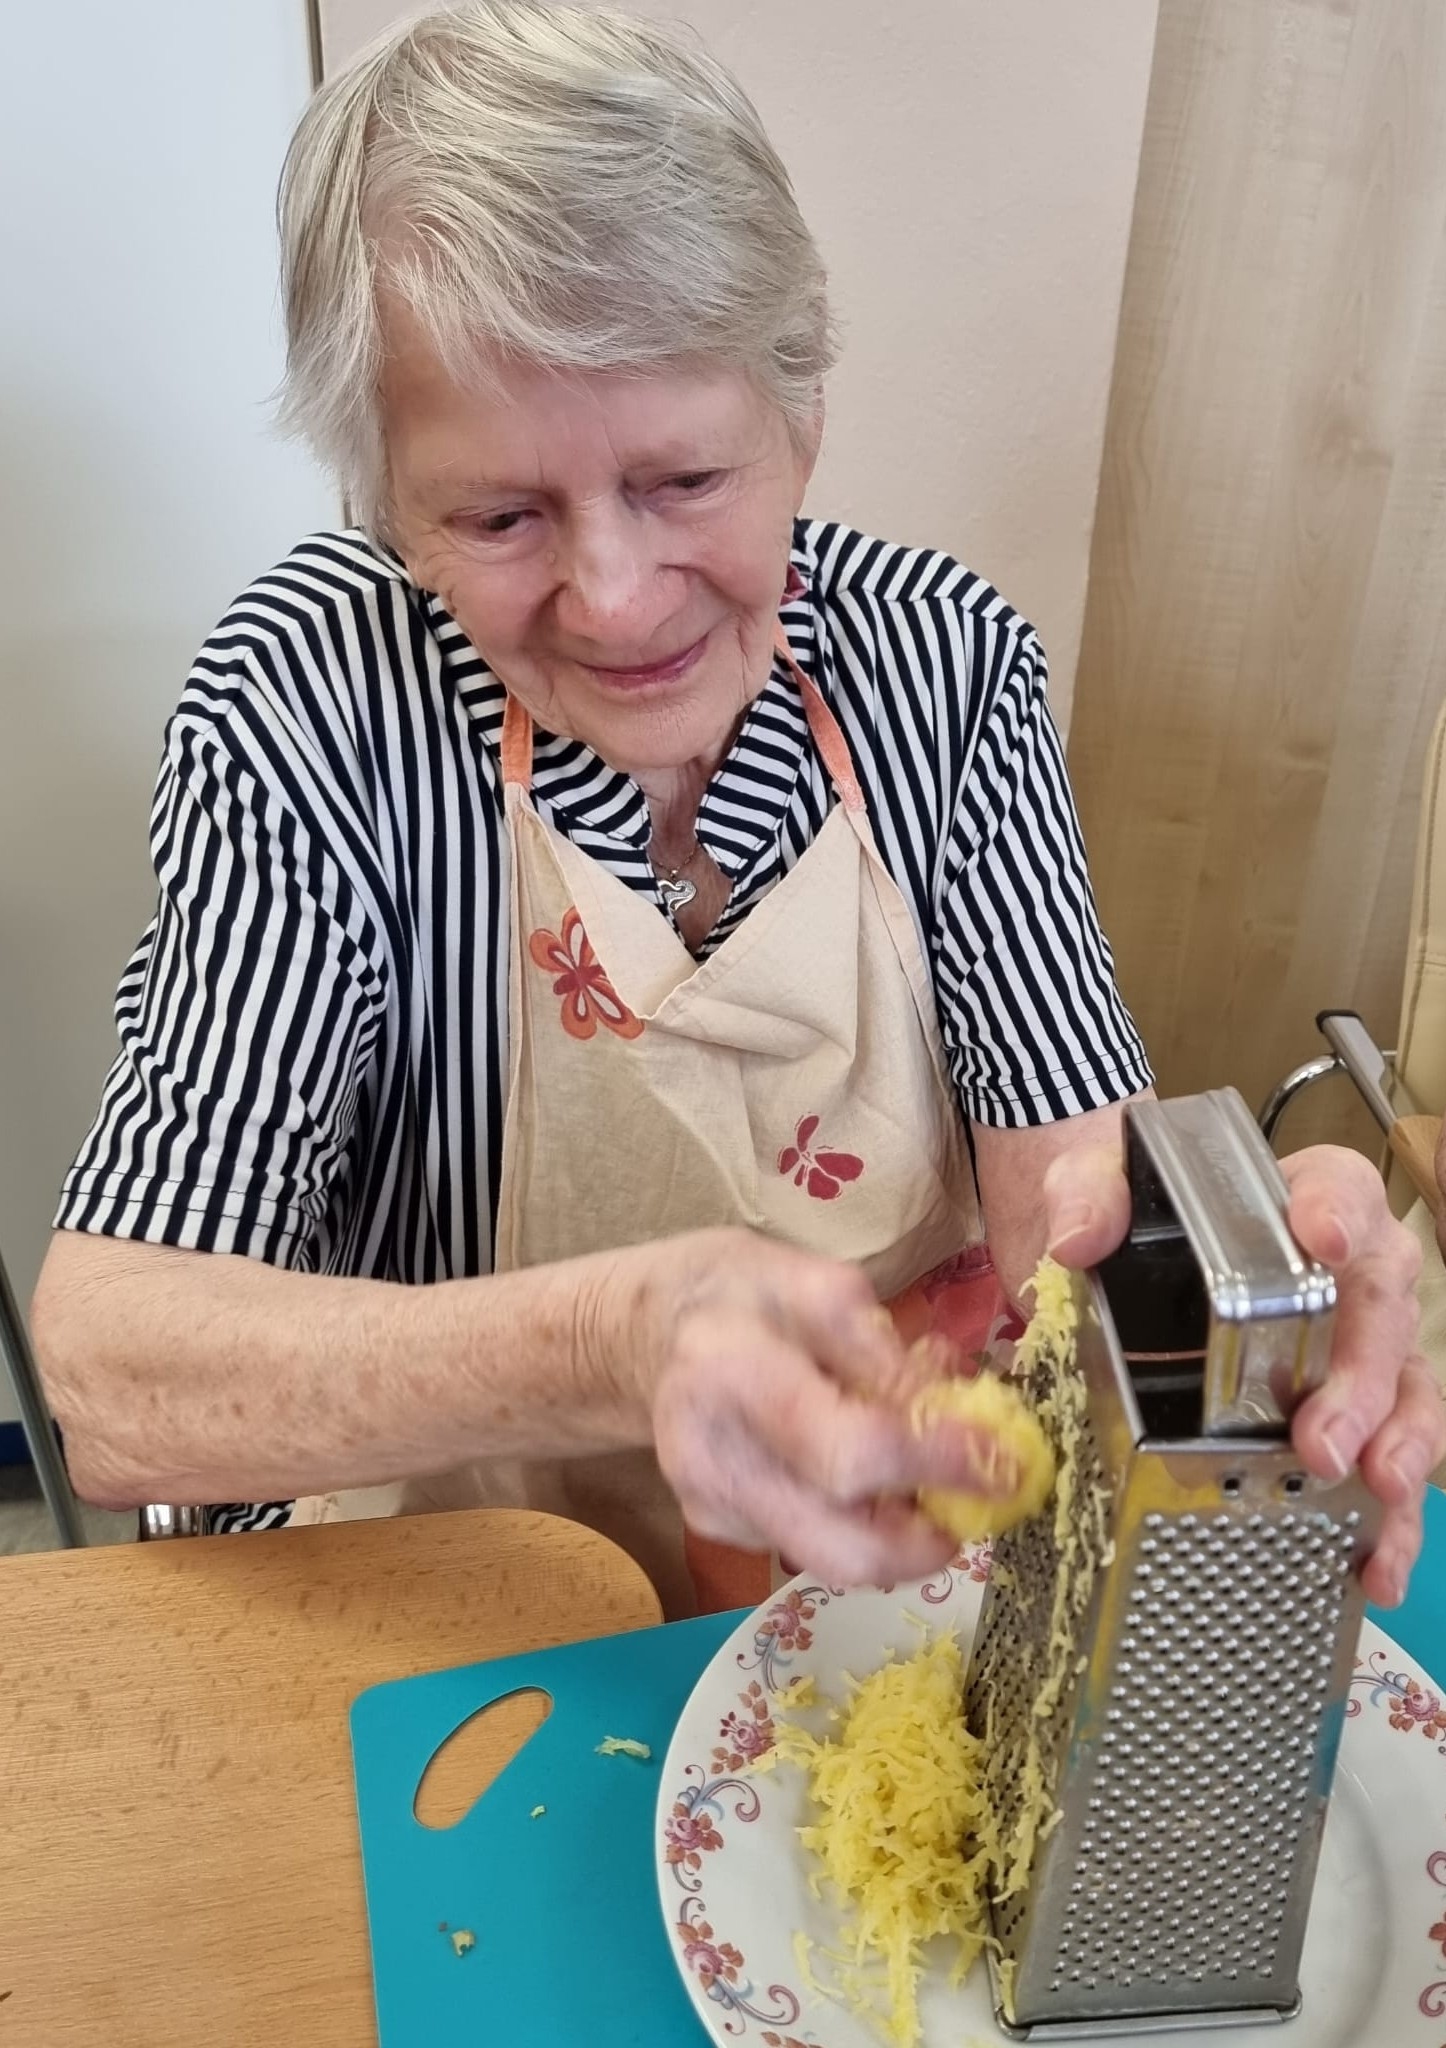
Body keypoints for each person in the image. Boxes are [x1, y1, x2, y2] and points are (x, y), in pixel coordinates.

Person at [31, 2, 1443, 1616]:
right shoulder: (311, 701)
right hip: (453, 1605)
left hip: (867, 1587)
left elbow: (1069, 1216)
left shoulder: (942, 665)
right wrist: (610, 1341)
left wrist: (1244, 1277)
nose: (617, 598)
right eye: (497, 516)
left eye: (682, 482)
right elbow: (114, 1379)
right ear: (387, 506)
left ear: (799, 417)